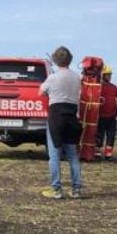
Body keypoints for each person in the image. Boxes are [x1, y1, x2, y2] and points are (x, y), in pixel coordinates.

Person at [39, 46, 83, 199]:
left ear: (55, 60)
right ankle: (76, 189)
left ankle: (56, 189)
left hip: (56, 117)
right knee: (72, 155)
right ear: (70, 59)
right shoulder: (76, 77)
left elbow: (41, 92)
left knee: (54, 155)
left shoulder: (53, 77)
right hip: (72, 116)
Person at [96, 66, 117, 161]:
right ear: (103, 75)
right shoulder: (97, 87)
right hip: (100, 116)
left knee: (111, 135)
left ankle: (108, 154)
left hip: (112, 116)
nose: (110, 77)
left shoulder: (113, 87)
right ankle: (97, 153)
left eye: (110, 75)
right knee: (99, 135)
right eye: (108, 75)